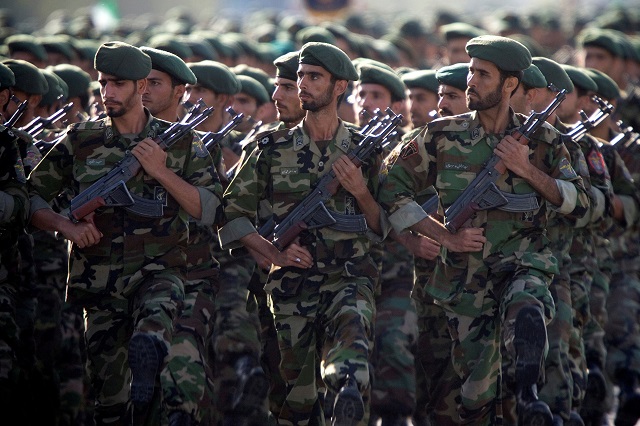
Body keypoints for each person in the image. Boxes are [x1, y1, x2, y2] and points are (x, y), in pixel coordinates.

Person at [376, 35, 589, 426]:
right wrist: (444, 236)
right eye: (471, 72)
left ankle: (528, 391)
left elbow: (581, 203)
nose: (471, 81)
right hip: (465, 281)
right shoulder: (441, 135)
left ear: (510, 84)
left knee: (528, 303)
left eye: (483, 75)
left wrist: (527, 169)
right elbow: (390, 189)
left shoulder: (545, 140)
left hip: (525, 263)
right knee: (474, 402)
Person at [27, 41, 224, 425]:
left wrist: (160, 171)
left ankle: (148, 353)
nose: (107, 93)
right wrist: (67, 227)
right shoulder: (81, 140)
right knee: (111, 405)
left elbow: (209, 208)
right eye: (103, 83)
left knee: (152, 330)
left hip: (160, 271)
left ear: (139, 86)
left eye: (118, 84)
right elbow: (31, 197)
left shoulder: (179, 141)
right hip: (99, 284)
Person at [219, 41, 388, 426]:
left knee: (351, 368)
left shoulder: (366, 149)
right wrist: (270, 253)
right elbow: (232, 212)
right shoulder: (270, 147)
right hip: (290, 290)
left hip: (351, 281)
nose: (303, 85)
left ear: (340, 86)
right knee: (295, 404)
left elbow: (385, 225)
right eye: (300, 77)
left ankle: (345, 390)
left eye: (314, 77)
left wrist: (361, 191)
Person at [140, 45, 220, 426]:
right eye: (139, 82)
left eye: (154, 83)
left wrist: (160, 171)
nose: (144, 91)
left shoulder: (193, 146)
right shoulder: (102, 141)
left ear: (179, 92)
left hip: (188, 284)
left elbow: (208, 210)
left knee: (179, 389)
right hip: (119, 285)